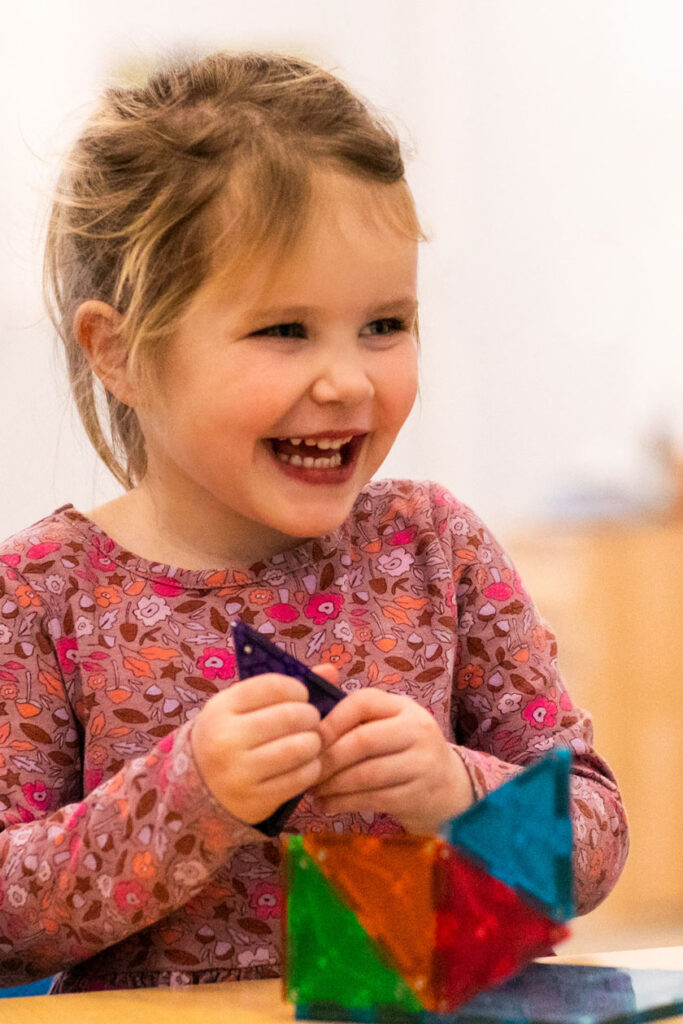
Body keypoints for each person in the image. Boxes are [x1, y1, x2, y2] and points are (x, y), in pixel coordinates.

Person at [0, 49, 628, 994]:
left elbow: (592, 843)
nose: (346, 380)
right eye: (283, 330)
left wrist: (455, 792)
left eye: (385, 324)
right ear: (120, 353)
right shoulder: (45, 592)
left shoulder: (435, 549)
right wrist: (183, 798)